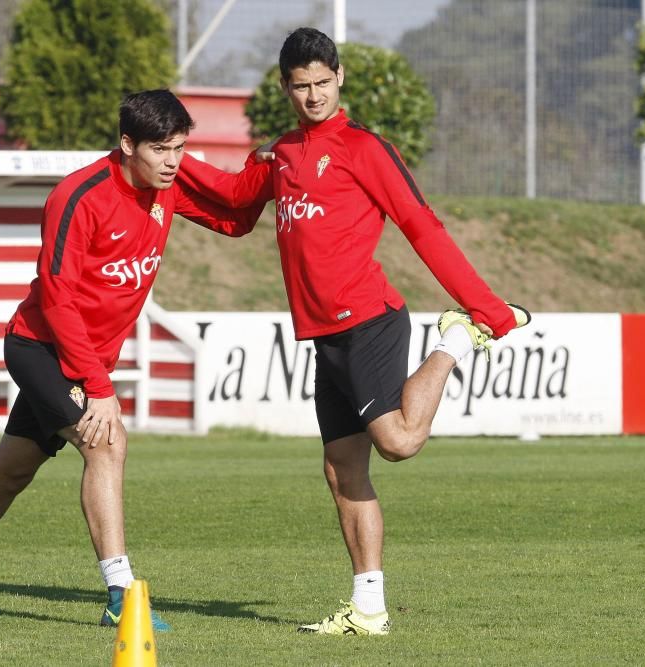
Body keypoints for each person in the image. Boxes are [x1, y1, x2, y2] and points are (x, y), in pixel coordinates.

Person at [177, 27, 531, 636]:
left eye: (322, 83)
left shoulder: (366, 148)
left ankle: (452, 341)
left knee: (397, 443)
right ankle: (368, 608)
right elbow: (236, 206)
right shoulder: (281, 153)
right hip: (325, 339)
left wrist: (485, 309)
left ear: (339, 77)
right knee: (343, 471)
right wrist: (163, 170)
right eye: (300, 86)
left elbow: (421, 226)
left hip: (369, 320)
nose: (313, 96)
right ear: (285, 87)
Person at [0, 89, 264, 631]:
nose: (174, 162)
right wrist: (98, 387)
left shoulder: (164, 186)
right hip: (39, 347)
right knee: (107, 442)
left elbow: (234, 222)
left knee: (10, 470)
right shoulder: (78, 196)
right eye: (161, 150)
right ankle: (121, 594)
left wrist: (269, 173)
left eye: (180, 148)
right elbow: (56, 299)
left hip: (80, 360)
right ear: (127, 144)